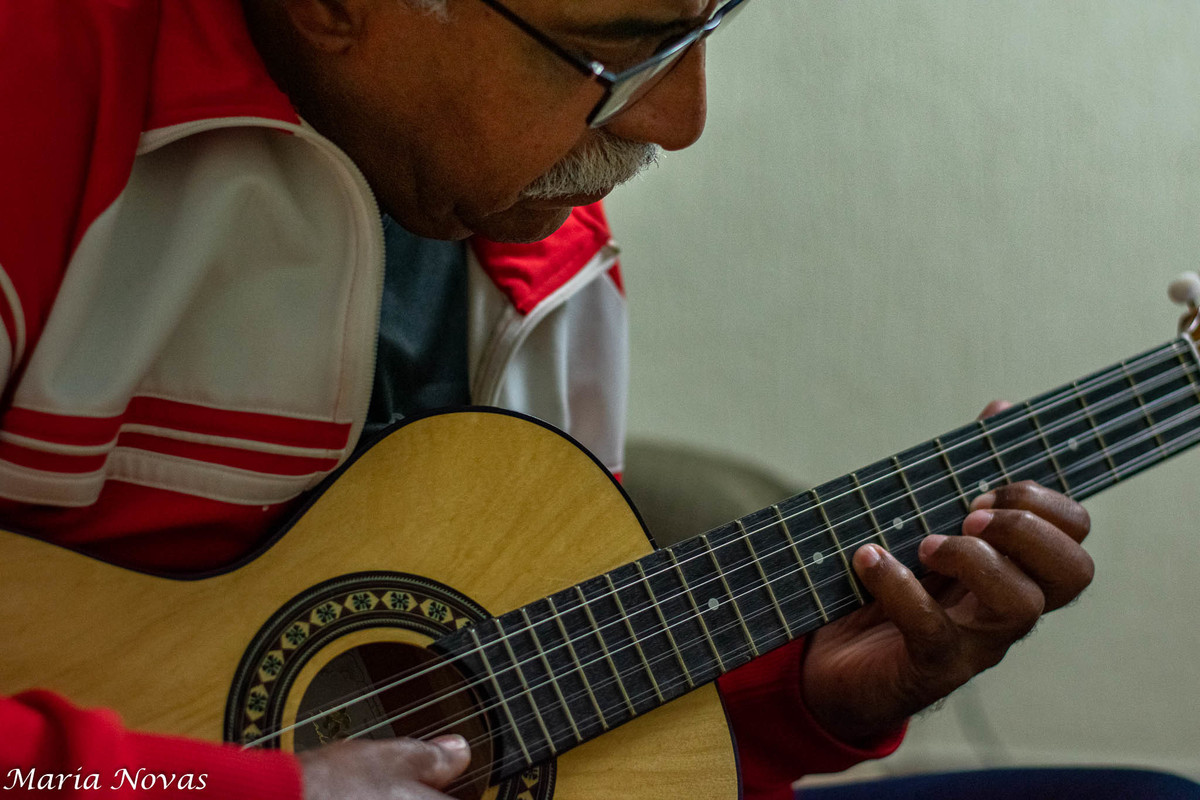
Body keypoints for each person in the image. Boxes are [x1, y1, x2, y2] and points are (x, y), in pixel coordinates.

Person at [0, 0, 1095, 798]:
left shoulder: (548, 256)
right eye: (622, 47)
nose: (681, 118)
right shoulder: (36, 96)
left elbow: (509, 725)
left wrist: (807, 700)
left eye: (709, 24)